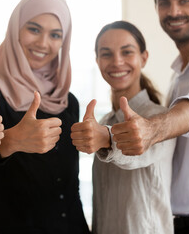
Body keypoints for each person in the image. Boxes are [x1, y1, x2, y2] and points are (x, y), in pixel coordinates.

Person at [0, 0, 90, 233]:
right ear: (16, 29)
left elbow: (70, 181)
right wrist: (13, 140)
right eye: (34, 29)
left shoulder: (68, 101)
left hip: (70, 226)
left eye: (56, 35)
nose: (44, 43)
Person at [111, 0, 189, 233]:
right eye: (164, 2)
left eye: (184, 0)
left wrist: (151, 129)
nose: (173, 11)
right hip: (174, 221)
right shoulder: (178, 72)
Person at [71, 20, 176, 234]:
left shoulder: (161, 118)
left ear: (143, 58)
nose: (117, 61)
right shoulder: (104, 122)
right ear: (98, 60)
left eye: (127, 52)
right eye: (106, 54)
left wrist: (107, 138)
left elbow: (137, 153)